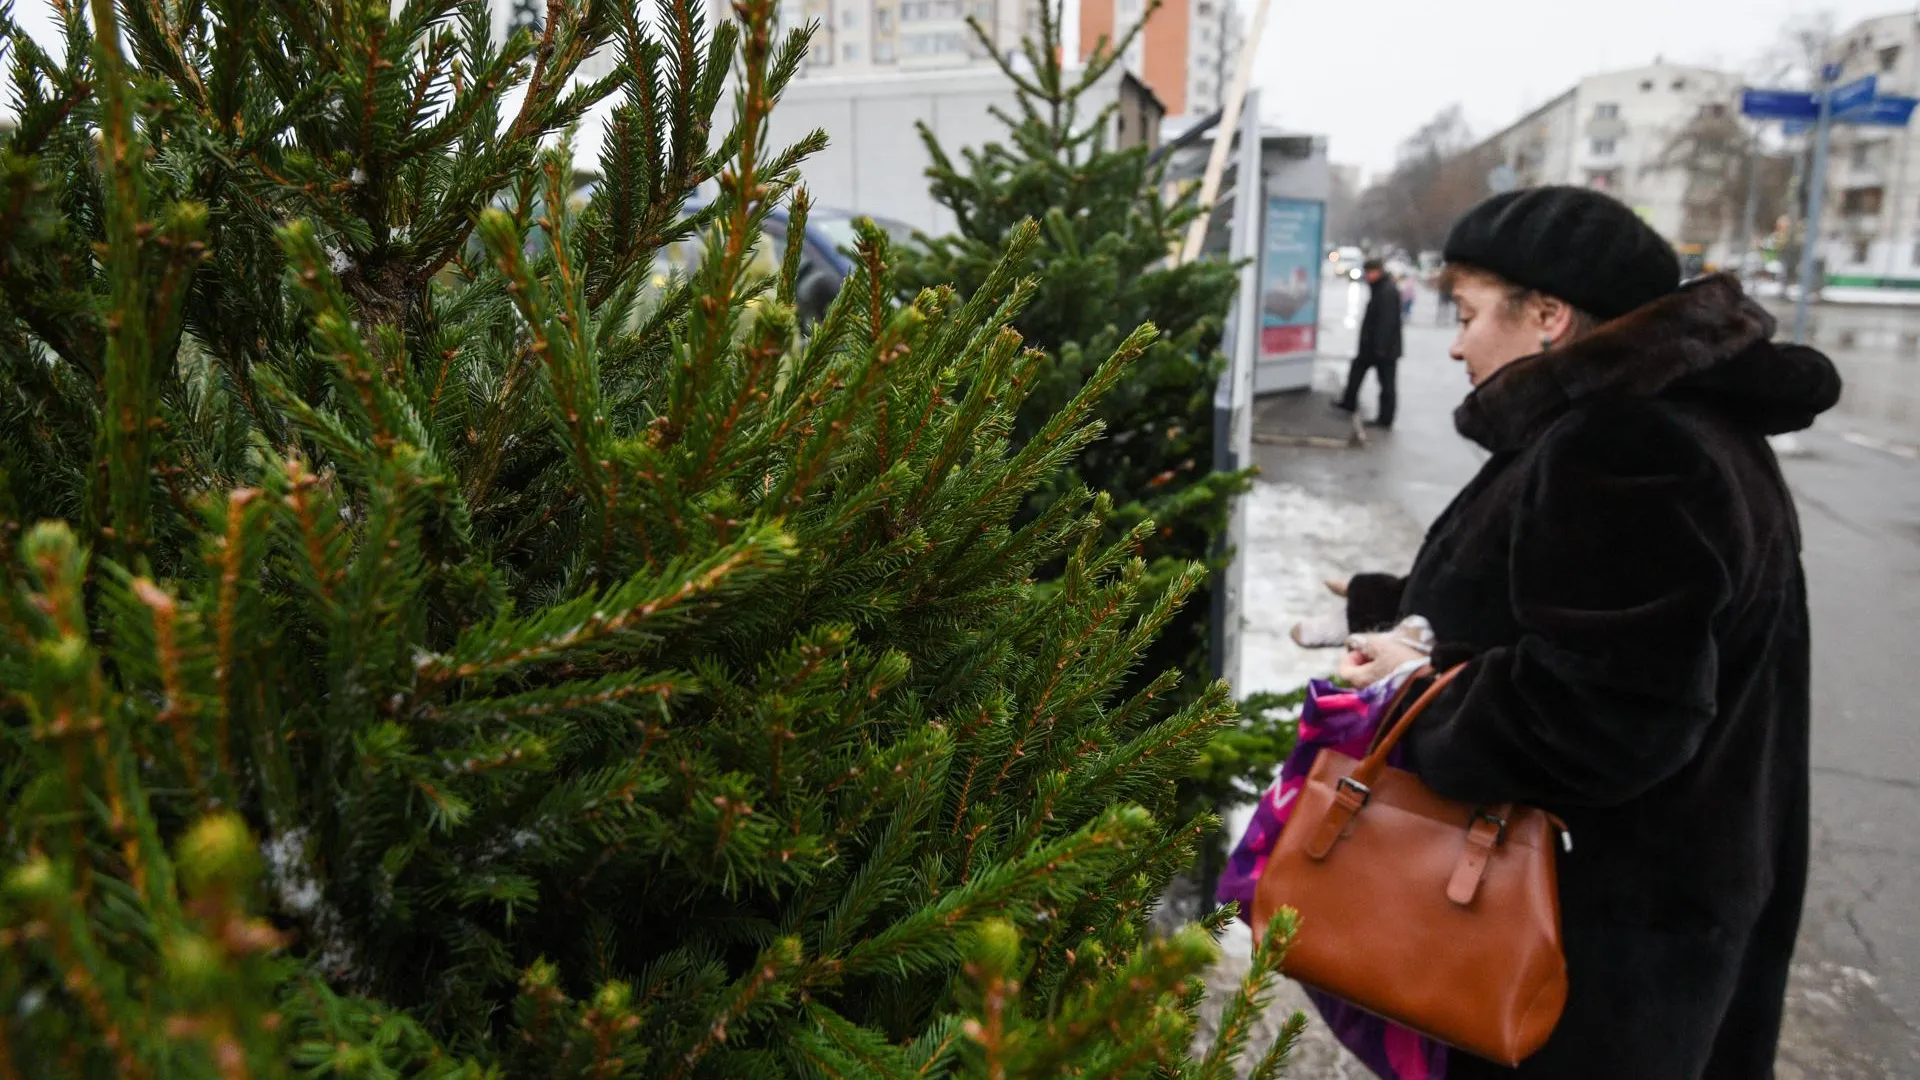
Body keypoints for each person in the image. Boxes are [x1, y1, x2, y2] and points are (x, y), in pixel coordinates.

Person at [1328, 187, 1841, 1078]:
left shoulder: (1627, 442)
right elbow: (1572, 605)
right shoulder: (1680, 423)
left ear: (1550, 315)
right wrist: (1397, 605)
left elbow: (1605, 713)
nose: (1454, 341)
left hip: (1593, 950)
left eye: (1470, 312)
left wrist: (1421, 689)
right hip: (1651, 916)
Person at [1336, 258, 1403, 428]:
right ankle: (1349, 402)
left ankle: (1385, 418)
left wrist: (1381, 347)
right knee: (1358, 370)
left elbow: (1386, 322)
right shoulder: (1381, 288)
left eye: (1369, 272)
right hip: (1374, 346)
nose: (1367, 276)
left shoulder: (1386, 291)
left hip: (1382, 348)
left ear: (1377, 271)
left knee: (1386, 384)